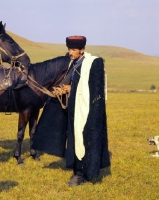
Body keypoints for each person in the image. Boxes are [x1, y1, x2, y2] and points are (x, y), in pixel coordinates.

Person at [33, 36, 110, 186]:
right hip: (73, 109)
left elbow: (95, 90)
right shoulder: (72, 64)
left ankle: (83, 173)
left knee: (85, 140)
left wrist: (71, 88)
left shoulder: (94, 63)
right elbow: (73, 83)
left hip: (87, 110)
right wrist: (63, 90)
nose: (70, 52)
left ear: (82, 50)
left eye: (74, 49)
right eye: (69, 49)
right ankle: (78, 171)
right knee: (74, 140)